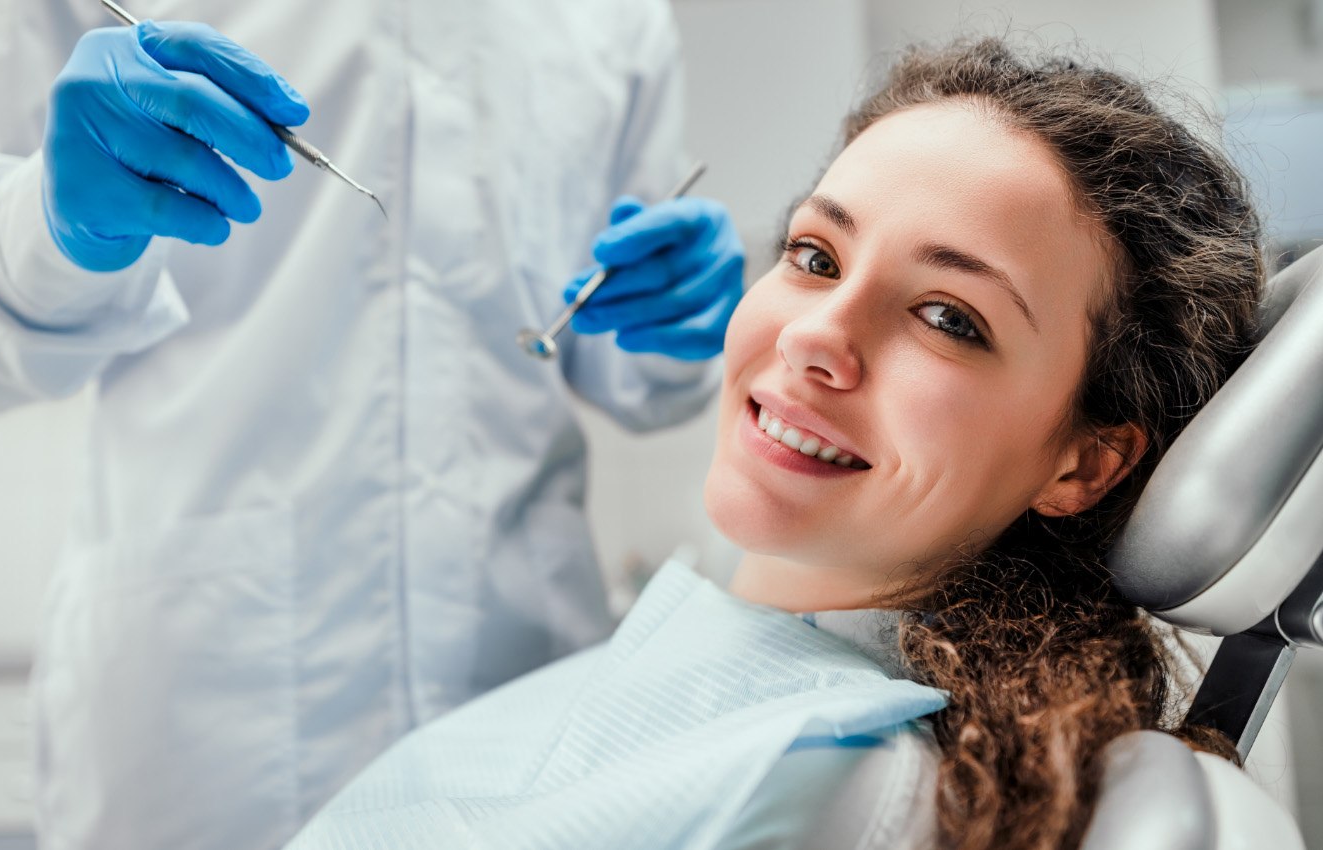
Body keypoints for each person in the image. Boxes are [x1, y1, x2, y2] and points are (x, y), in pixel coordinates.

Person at [281, 37, 1283, 850]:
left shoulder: (811, 787)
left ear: (1083, 462)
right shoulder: (744, 708)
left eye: (946, 316)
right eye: (814, 254)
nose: (813, 334)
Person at [0, 1, 744, 848]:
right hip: (206, 726)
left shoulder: (617, 17)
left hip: (521, 686)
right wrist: (54, 223)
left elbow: (617, 358)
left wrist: (676, 321)